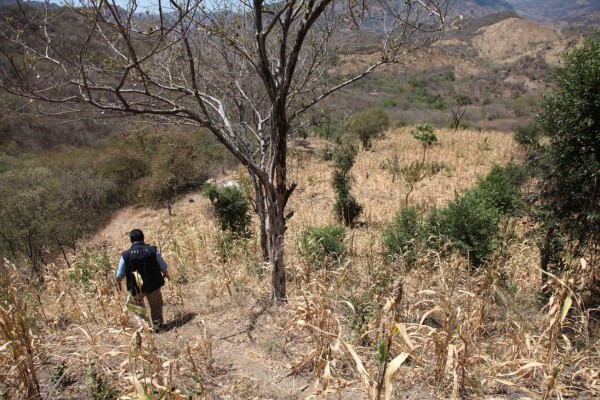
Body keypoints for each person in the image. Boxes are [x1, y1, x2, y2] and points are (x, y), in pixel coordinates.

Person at [116, 229, 170, 331]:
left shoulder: (125, 255)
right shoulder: (153, 250)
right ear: (143, 238)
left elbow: (119, 275)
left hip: (135, 288)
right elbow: (163, 266)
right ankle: (158, 327)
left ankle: (145, 327)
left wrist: (118, 285)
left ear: (131, 240)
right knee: (156, 306)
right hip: (153, 285)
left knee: (134, 305)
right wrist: (166, 275)